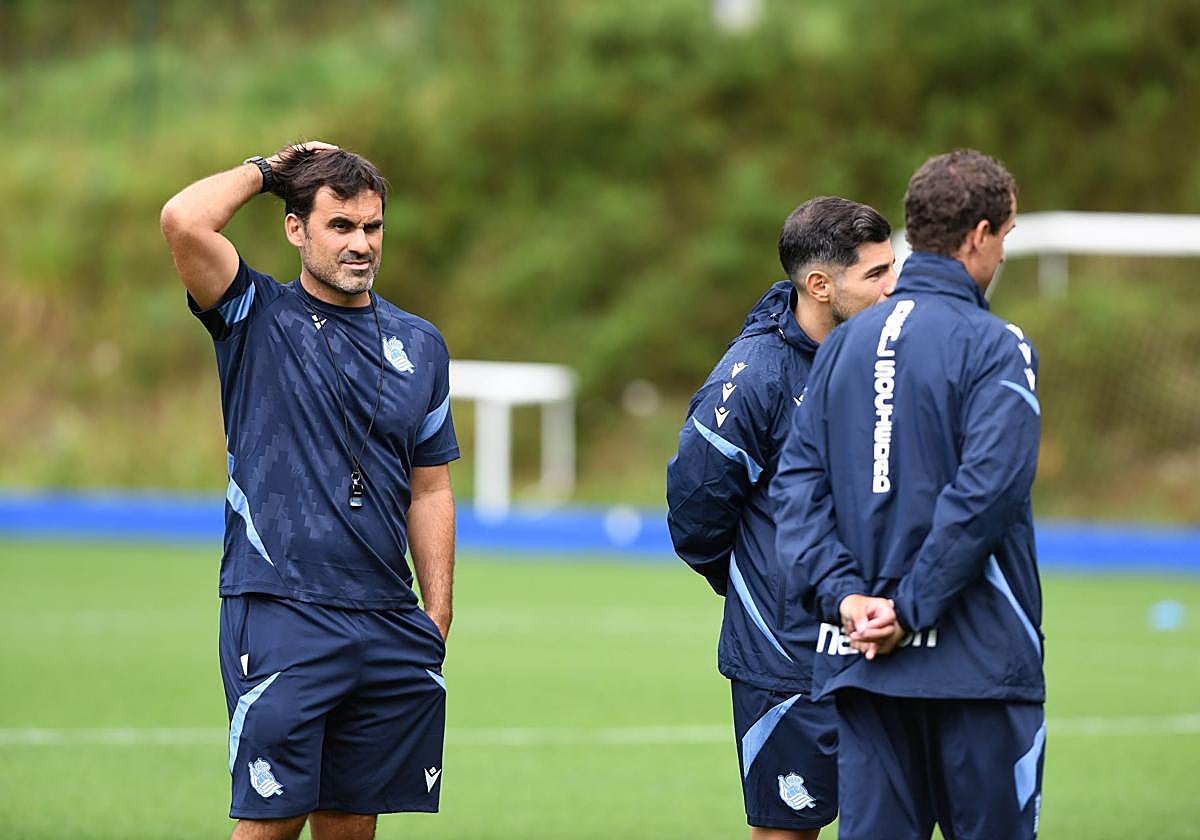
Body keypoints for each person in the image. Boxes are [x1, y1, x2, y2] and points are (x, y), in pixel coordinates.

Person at [160, 142, 458, 840]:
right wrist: (272, 169)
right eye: (341, 226)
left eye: (372, 227)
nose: (361, 244)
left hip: (387, 615)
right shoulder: (253, 313)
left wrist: (437, 612)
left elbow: (431, 488)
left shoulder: (421, 345)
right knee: (273, 818)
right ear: (296, 229)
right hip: (281, 608)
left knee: (353, 821)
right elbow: (183, 220)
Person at [772, 149, 1043, 840]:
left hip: (863, 660)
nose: (1003, 253)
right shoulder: (997, 345)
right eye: (1006, 236)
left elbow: (796, 487)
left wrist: (846, 598)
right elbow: (986, 495)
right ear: (978, 236)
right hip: (976, 668)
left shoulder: (842, 344)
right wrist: (911, 607)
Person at [667, 197, 896, 840]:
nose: (893, 287)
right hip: (788, 654)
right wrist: (766, 583)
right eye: (876, 273)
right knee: (787, 832)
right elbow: (696, 510)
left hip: (890, 642)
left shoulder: (894, 354)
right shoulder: (755, 378)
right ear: (820, 285)